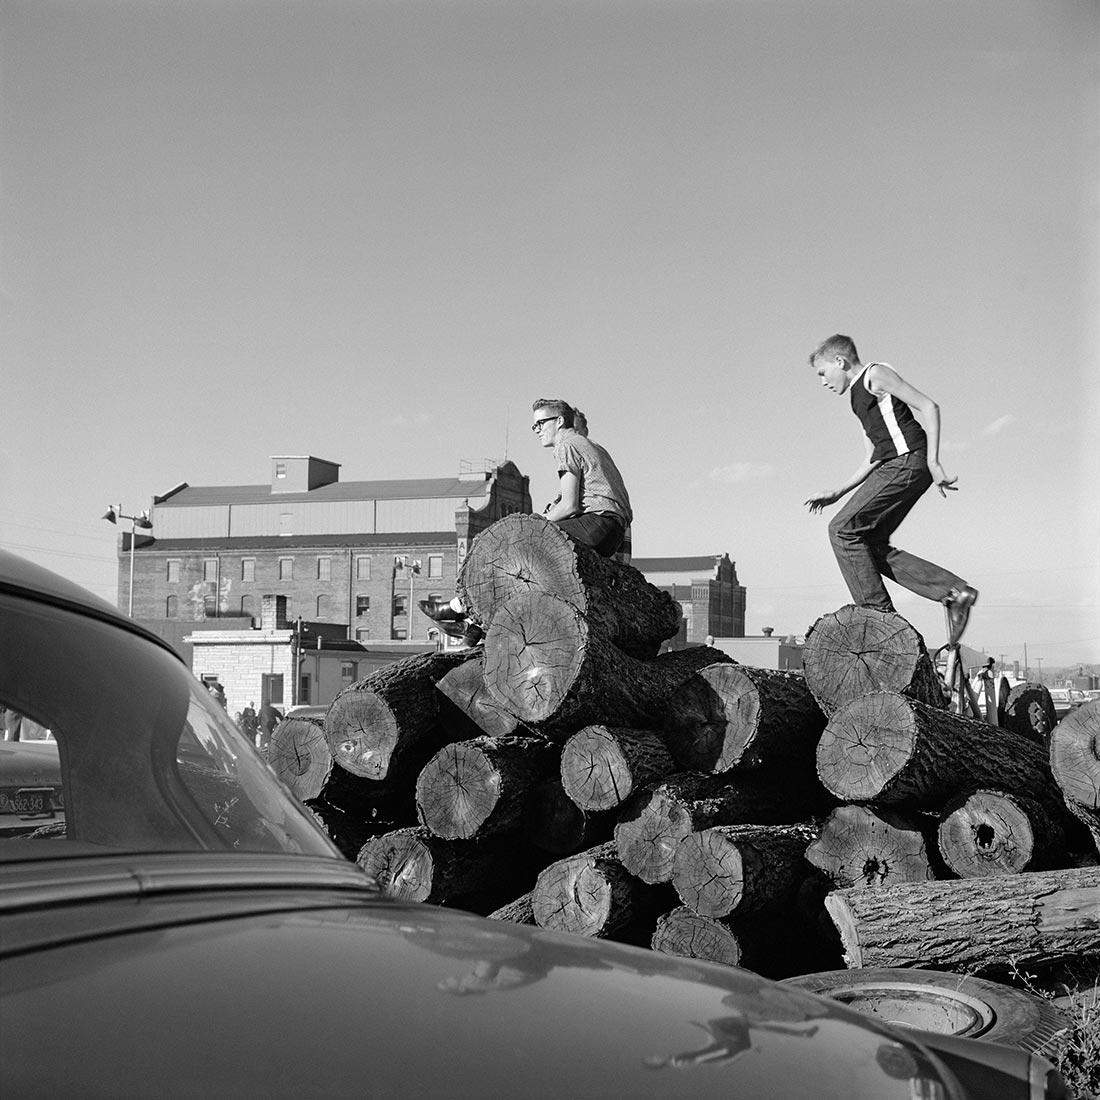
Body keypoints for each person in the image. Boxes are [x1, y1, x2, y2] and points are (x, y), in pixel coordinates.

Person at [804, 334, 978, 644]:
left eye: (822, 372)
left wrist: (934, 462)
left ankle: (879, 621)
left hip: (908, 461)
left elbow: (929, 406)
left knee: (841, 531)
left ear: (839, 362)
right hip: (897, 465)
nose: (822, 382)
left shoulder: (875, 374)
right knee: (866, 544)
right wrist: (838, 492)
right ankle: (953, 593)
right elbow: (873, 456)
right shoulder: (856, 399)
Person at [531, 398, 632, 559]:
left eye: (540, 423)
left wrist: (536, 522)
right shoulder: (594, 446)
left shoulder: (567, 446)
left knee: (530, 536)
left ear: (559, 421)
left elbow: (569, 506)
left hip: (596, 525)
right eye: (534, 426)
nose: (537, 430)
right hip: (615, 532)